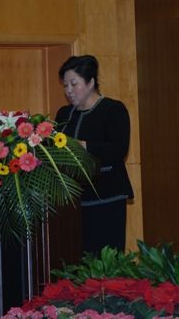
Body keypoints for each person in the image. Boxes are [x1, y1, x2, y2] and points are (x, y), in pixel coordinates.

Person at [55, 55, 134, 255]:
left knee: (104, 261)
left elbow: (119, 149)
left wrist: (84, 146)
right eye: (66, 85)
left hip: (106, 199)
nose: (69, 90)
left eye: (74, 84)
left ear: (90, 83)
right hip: (71, 203)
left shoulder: (113, 109)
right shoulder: (64, 114)